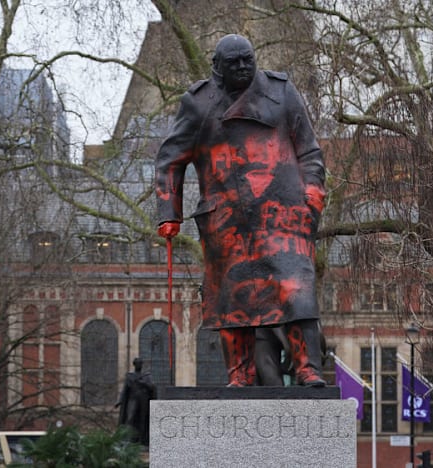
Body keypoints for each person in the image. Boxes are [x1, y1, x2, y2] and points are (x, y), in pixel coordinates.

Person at [155, 33, 327, 387]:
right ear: (217, 67)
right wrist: (168, 212)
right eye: (234, 62)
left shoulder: (282, 92)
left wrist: (312, 196)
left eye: (248, 59)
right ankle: (240, 373)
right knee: (233, 300)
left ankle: (309, 368)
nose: (243, 67)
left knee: (296, 290)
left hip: (284, 215)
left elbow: (309, 150)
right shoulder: (199, 103)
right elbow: (170, 159)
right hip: (227, 221)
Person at [115, 357, 156, 446]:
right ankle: (127, 439)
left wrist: (143, 383)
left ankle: (142, 441)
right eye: (137, 363)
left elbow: (152, 387)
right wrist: (119, 401)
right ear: (134, 365)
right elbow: (125, 390)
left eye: (140, 363)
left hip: (144, 400)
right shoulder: (130, 376)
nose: (139, 365)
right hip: (132, 399)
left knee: (143, 420)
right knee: (130, 418)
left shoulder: (146, 376)